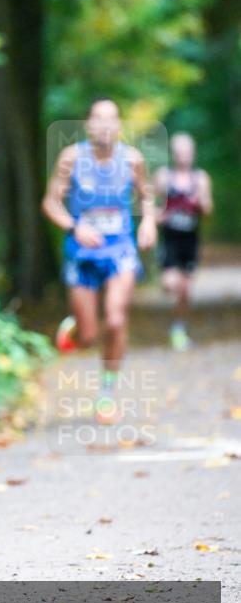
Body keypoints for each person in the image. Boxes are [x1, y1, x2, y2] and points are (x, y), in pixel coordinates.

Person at [41, 98, 157, 423]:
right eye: (98, 119)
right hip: (82, 253)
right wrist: (75, 226)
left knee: (116, 320)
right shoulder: (72, 158)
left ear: (119, 126)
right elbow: (51, 203)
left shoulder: (132, 160)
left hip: (120, 249)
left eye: (111, 119)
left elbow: (146, 195)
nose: (105, 125)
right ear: (89, 125)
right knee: (89, 336)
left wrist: (148, 221)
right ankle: (76, 330)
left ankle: (107, 393)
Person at [154, 133, 213, 350]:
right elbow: (152, 206)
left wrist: (200, 203)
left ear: (193, 153)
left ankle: (179, 327)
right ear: (173, 154)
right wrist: (160, 216)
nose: (183, 156)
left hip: (190, 240)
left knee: (185, 290)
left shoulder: (200, 178)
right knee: (171, 284)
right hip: (169, 239)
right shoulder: (163, 177)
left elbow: (208, 210)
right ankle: (168, 286)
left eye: (187, 151)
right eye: (179, 152)